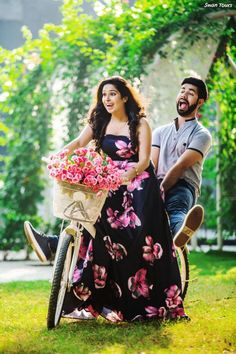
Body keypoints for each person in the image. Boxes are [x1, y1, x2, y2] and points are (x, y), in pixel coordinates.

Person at [24, 76, 189, 322]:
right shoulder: (99, 121)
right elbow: (79, 142)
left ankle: (52, 245)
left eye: (112, 94)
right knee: (91, 221)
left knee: (136, 237)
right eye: (103, 95)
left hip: (137, 183)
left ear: (124, 97)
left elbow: (144, 160)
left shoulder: (140, 124)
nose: (107, 99)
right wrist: (59, 156)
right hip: (108, 181)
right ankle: (58, 249)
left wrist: (128, 173)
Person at [151, 77, 212, 248]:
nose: (184, 95)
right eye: (182, 90)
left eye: (190, 93)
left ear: (199, 102)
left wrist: (161, 190)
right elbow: (152, 165)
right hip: (156, 185)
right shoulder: (160, 132)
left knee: (176, 209)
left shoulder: (202, 135)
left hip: (183, 185)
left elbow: (181, 165)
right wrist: (151, 190)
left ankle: (181, 231)